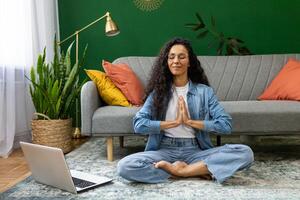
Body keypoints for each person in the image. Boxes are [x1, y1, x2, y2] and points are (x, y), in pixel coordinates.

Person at [117, 37, 254, 184]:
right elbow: (139, 124)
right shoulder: (158, 93)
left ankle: (181, 172)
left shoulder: (204, 92)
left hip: (195, 151)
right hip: (164, 150)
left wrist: (191, 122)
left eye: (182, 57)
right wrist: (172, 123)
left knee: (245, 153)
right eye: (172, 57)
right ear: (167, 62)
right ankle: (197, 171)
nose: (176, 61)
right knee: (124, 167)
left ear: (189, 62)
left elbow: (225, 125)